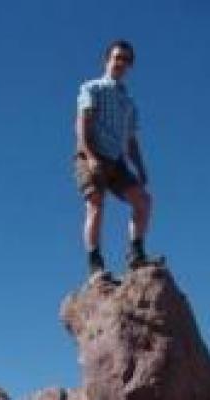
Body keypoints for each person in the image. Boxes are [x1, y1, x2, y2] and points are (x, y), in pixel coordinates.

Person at [74, 39, 152, 281]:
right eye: (117, 57)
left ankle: (136, 254)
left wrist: (140, 168)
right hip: (92, 153)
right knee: (95, 204)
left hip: (117, 161)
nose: (121, 63)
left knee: (143, 200)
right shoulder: (92, 88)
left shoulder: (128, 103)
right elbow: (81, 124)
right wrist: (90, 156)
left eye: (126, 60)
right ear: (107, 60)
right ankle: (95, 264)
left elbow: (131, 140)